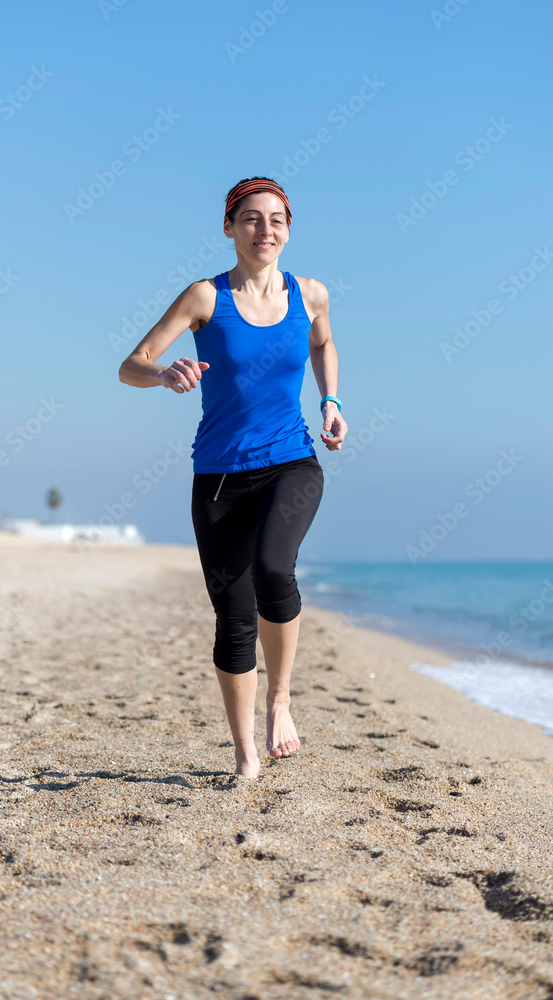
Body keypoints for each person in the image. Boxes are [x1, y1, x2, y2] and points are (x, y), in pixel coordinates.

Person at [119, 176, 348, 778]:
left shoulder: (311, 294)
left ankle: (281, 700)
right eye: (250, 219)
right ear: (229, 228)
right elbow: (130, 366)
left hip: (291, 462)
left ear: (289, 228)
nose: (263, 230)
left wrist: (332, 402)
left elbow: (323, 346)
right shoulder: (204, 298)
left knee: (275, 567)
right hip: (219, 475)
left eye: (276, 219)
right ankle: (245, 754)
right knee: (234, 617)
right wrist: (165, 374)